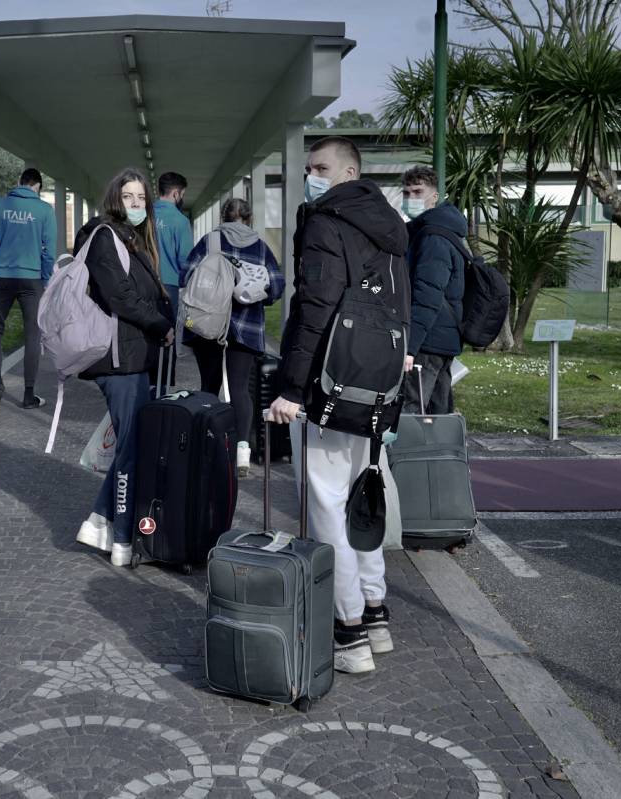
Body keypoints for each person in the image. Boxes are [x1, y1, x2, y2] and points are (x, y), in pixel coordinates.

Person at [268, 137, 409, 673]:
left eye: (321, 167)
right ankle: (374, 612)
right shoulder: (392, 226)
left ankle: (348, 631)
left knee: (328, 505)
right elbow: (403, 305)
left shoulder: (325, 220)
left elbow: (315, 309)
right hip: (378, 381)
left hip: (330, 383)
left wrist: (290, 388)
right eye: (309, 169)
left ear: (349, 171)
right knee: (362, 496)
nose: (313, 176)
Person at [73, 167, 175, 567]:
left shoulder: (132, 240)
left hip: (134, 356)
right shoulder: (105, 238)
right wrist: (161, 324)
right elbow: (121, 297)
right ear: (115, 199)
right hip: (118, 360)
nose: (136, 204)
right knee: (132, 449)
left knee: (132, 445)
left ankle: (100, 520)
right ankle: (119, 540)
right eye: (128, 197)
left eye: (141, 198)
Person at [182, 197, 284, 477]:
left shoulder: (209, 241)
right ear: (248, 219)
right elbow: (276, 287)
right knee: (239, 389)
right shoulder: (261, 246)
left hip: (208, 324)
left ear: (222, 218)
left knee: (209, 386)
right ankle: (241, 452)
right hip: (247, 326)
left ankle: (207, 443)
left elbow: (186, 277)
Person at [0, 167, 56, 409]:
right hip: (32, 280)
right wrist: (44, 278)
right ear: (37, 187)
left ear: (19, 182)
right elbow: (49, 253)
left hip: (5, 277)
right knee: (33, 333)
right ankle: (29, 395)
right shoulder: (44, 210)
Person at [400, 165, 466, 415]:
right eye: (406, 193)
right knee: (439, 414)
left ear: (435, 196)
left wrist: (410, 348)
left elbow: (427, 296)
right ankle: (442, 455)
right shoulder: (445, 230)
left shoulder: (432, 237)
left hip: (428, 340)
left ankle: (408, 455)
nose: (411, 198)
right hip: (443, 338)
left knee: (411, 411)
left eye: (418, 192)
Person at [151, 172, 194, 388]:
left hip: (141, 285)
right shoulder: (180, 221)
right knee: (167, 336)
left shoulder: (143, 216)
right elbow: (185, 260)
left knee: (144, 335)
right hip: (168, 287)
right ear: (176, 193)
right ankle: (164, 386)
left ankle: (144, 384)